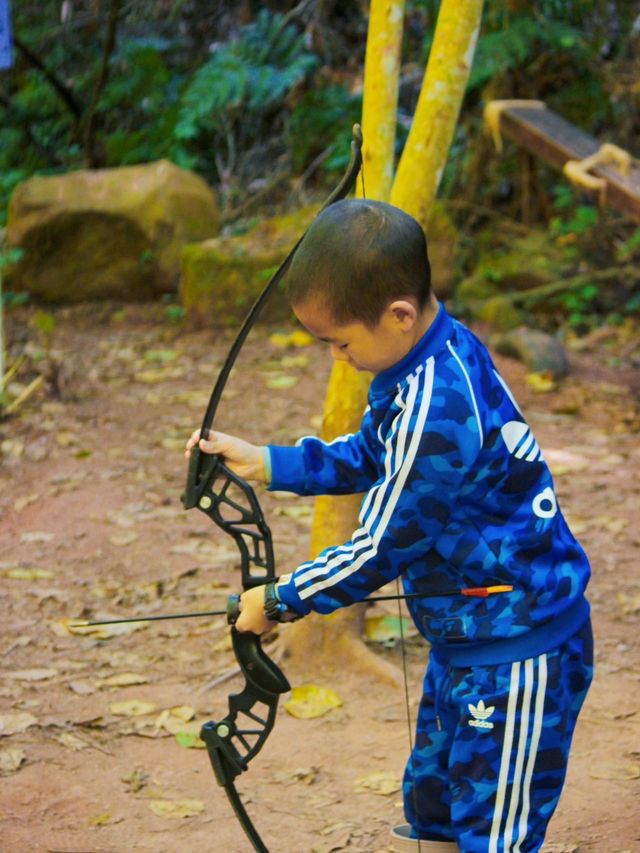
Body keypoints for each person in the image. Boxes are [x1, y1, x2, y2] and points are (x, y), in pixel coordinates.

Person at [185, 199, 593, 853]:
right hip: (466, 638)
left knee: (493, 832)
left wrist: (281, 599)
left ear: (399, 315)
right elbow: (376, 454)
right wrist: (270, 462)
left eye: (341, 342)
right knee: (433, 802)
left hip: (520, 651)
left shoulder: (439, 404)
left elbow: (382, 545)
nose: (337, 358)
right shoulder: (414, 362)